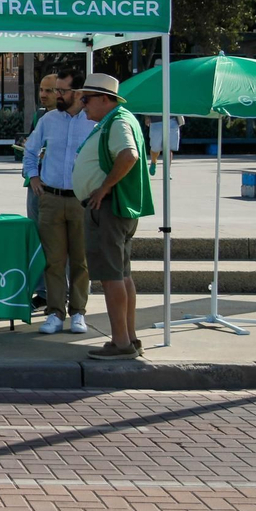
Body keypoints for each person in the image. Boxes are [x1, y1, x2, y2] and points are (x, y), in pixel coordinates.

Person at [72, 74, 155, 359]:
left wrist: (103, 188)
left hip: (108, 209)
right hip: (116, 208)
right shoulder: (117, 119)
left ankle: (121, 343)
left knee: (111, 277)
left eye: (87, 99)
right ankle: (128, 338)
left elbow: (128, 155)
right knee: (122, 275)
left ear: (105, 99)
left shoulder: (118, 121)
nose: (83, 105)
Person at [23, 69, 97, 335]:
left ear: (78, 93)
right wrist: (33, 177)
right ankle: (55, 312)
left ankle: (78, 312)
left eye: (62, 91)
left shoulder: (94, 121)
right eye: (56, 91)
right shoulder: (48, 120)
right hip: (51, 198)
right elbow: (29, 151)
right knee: (53, 260)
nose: (56, 96)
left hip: (82, 200)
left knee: (81, 260)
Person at [24, 73, 59, 308]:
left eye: (48, 90)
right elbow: (30, 147)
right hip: (36, 186)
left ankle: (60, 294)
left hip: (59, 190)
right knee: (37, 238)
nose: (43, 95)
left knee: (58, 243)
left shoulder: (75, 118)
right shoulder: (40, 116)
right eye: (41, 90)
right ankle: (42, 293)